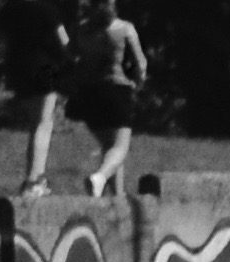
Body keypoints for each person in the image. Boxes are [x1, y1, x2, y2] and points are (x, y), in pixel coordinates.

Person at [68, 0, 146, 198]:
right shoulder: (124, 29)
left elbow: (71, 58)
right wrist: (138, 83)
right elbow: (140, 64)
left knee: (109, 148)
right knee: (120, 147)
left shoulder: (82, 30)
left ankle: (116, 196)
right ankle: (100, 178)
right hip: (117, 90)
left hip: (89, 94)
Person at [12, 0, 84, 200]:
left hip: (19, 67)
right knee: (44, 123)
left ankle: (33, 177)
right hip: (45, 68)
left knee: (35, 124)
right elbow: (63, 40)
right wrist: (73, 60)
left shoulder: (14, 8)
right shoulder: (48, 10)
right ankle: (34, 180)